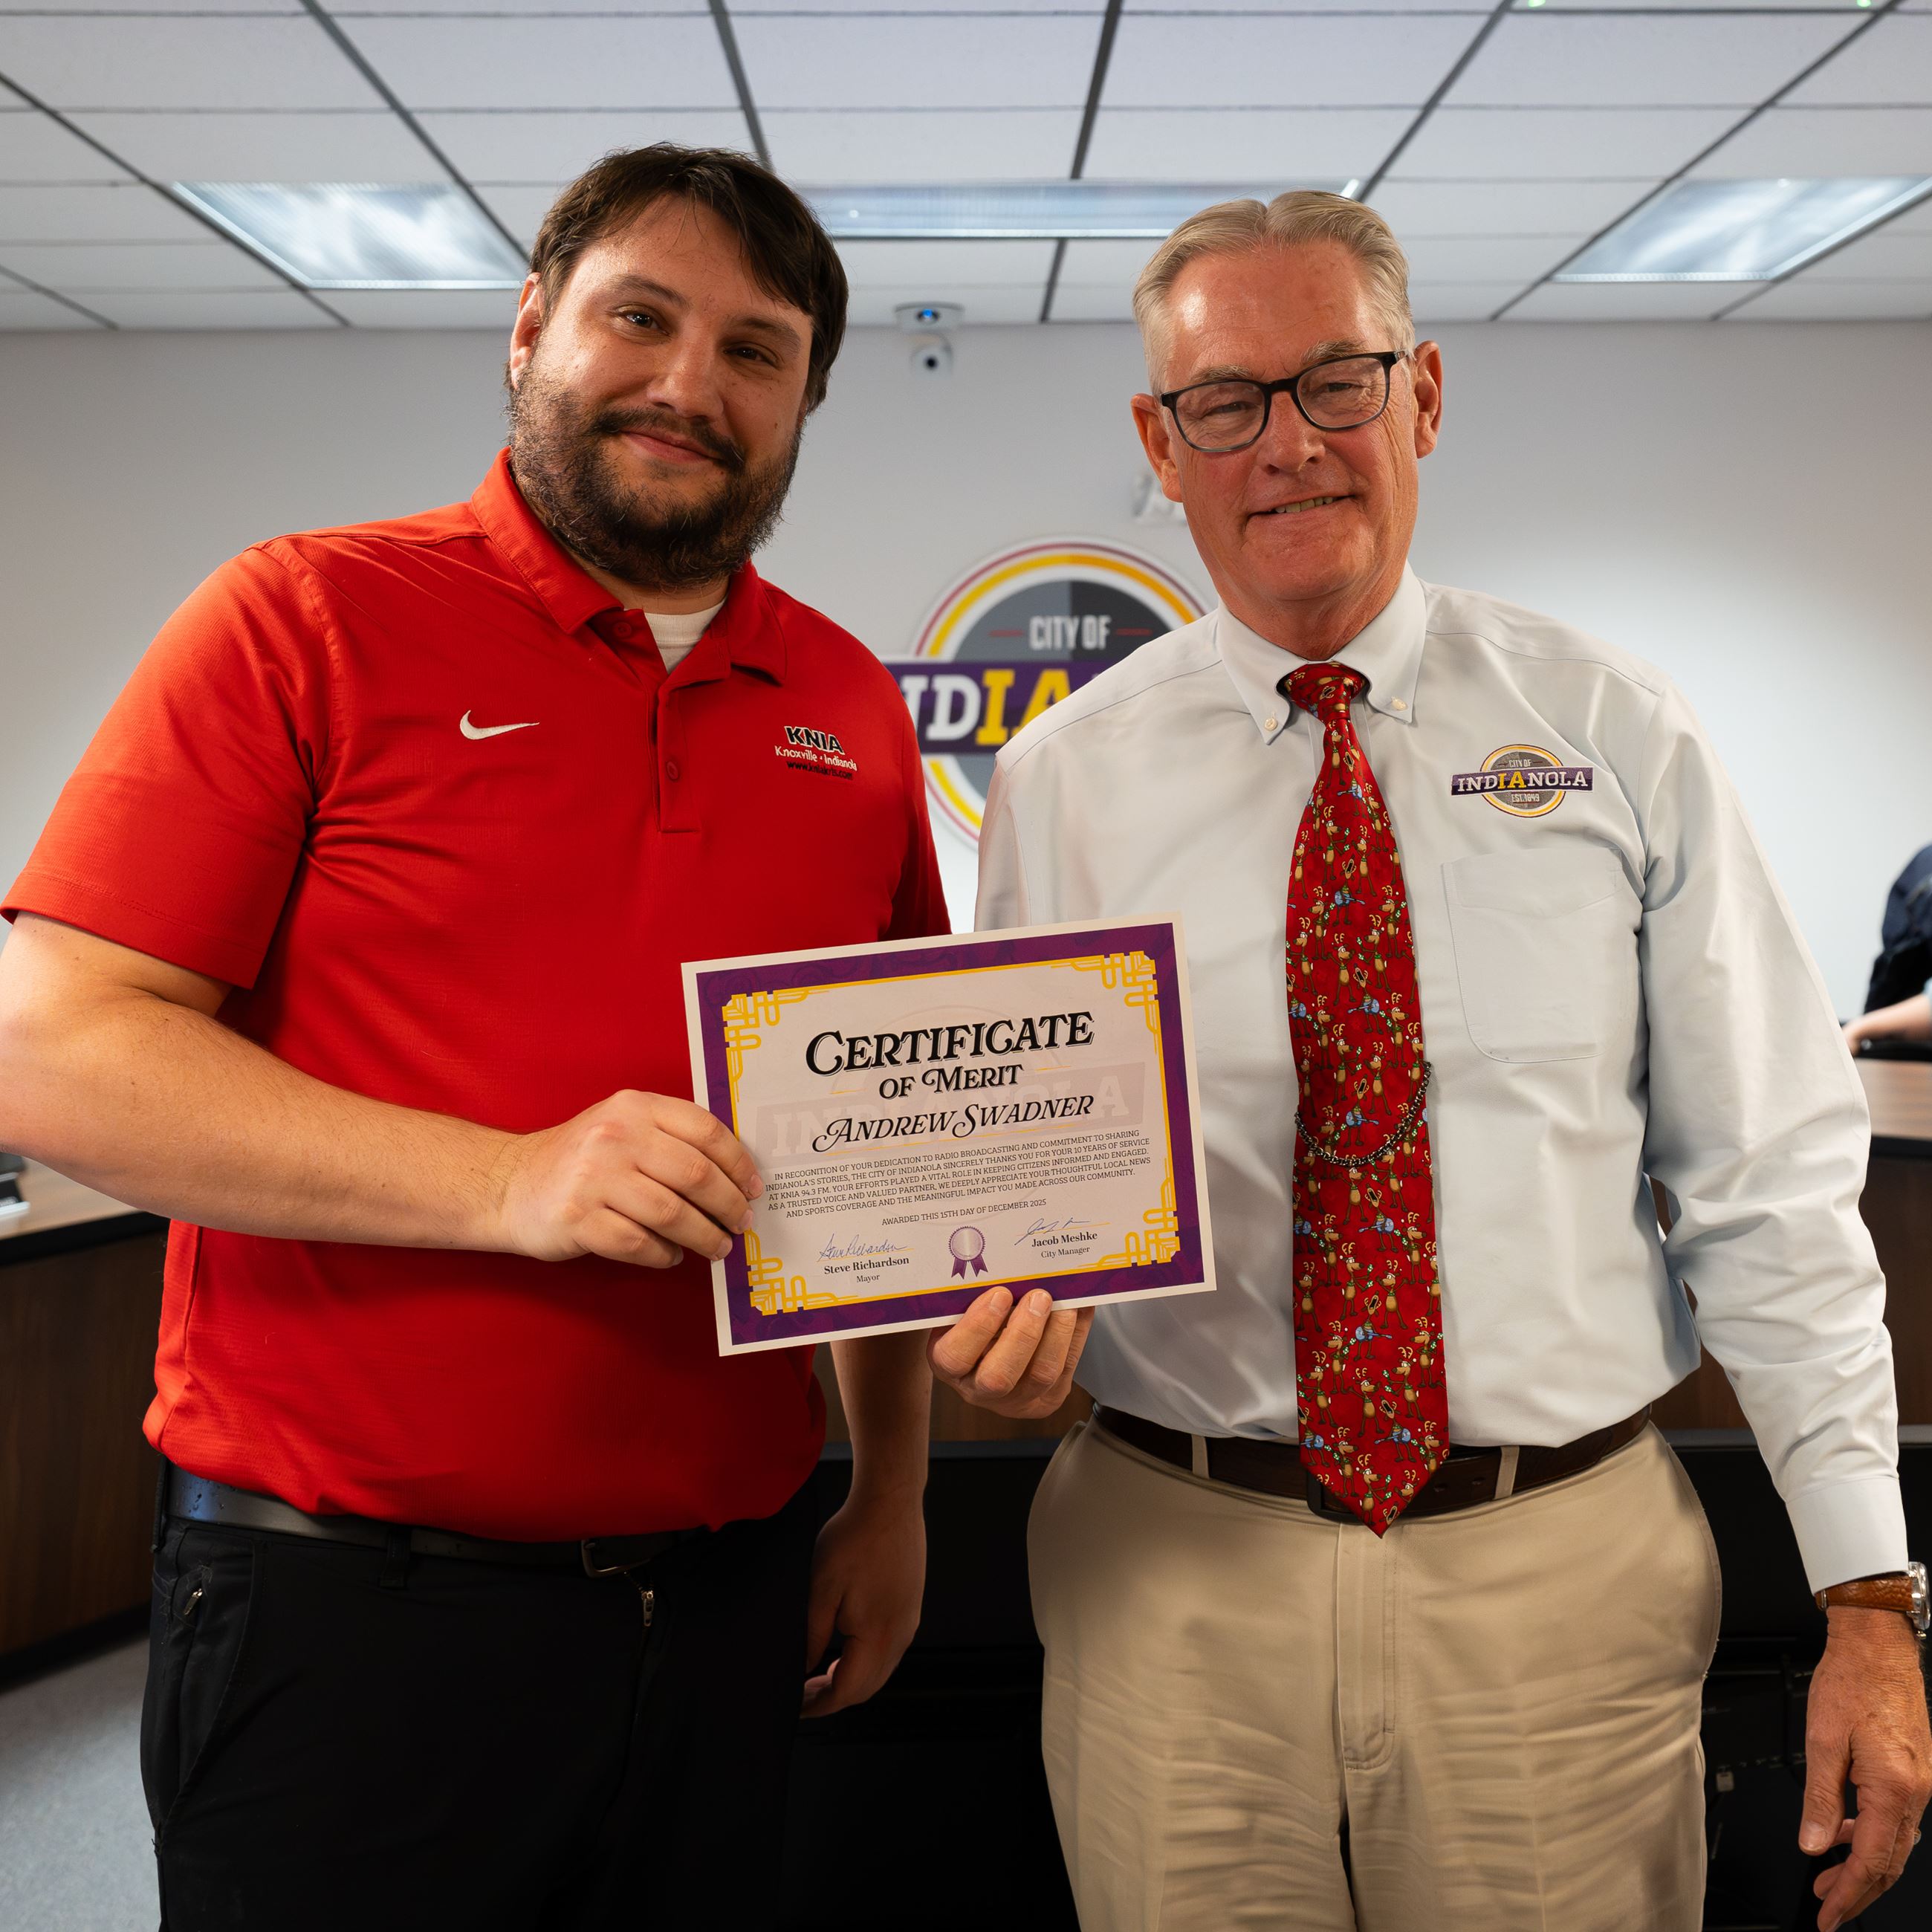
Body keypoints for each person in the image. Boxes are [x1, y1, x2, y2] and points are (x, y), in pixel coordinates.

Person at [931, 192, 1931, 1932]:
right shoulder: (1064, 783)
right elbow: (1031, 1177)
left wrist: (1868, 1596)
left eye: (1336, 380)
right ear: (1160, 447)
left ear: (1427, 393)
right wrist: (1005, 1334)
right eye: (1224, 402)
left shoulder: (1611, 730)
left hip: (1555, 1578)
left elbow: (1768, 1183)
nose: (1288, 444)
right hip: (1175, 1571)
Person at [0, 145, 944, 1931]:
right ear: (530, 330)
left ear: (805, 401)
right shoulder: (302, 617)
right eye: (638, 317)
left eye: (755, 349)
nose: (688, 382)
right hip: (348, 1617)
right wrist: (511, 1179)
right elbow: (49, 1049)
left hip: (729, 1598)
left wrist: (888, 1492)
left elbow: (882, 1132)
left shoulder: (844, 705)